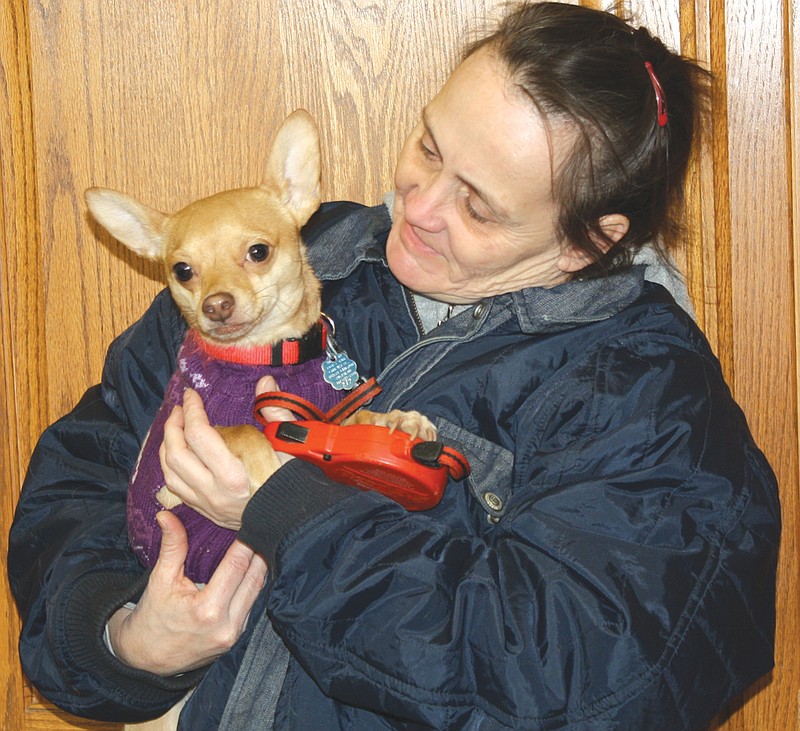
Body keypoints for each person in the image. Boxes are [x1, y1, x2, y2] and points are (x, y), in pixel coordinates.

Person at [9, 3, 780, 730]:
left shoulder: (653, 407)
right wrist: (126, 638)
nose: (418, 206)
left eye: (477, 206)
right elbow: (83, 477)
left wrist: (294, 513)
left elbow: (583, 685)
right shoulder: (290, 269)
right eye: (430, 148)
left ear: (590, 242)